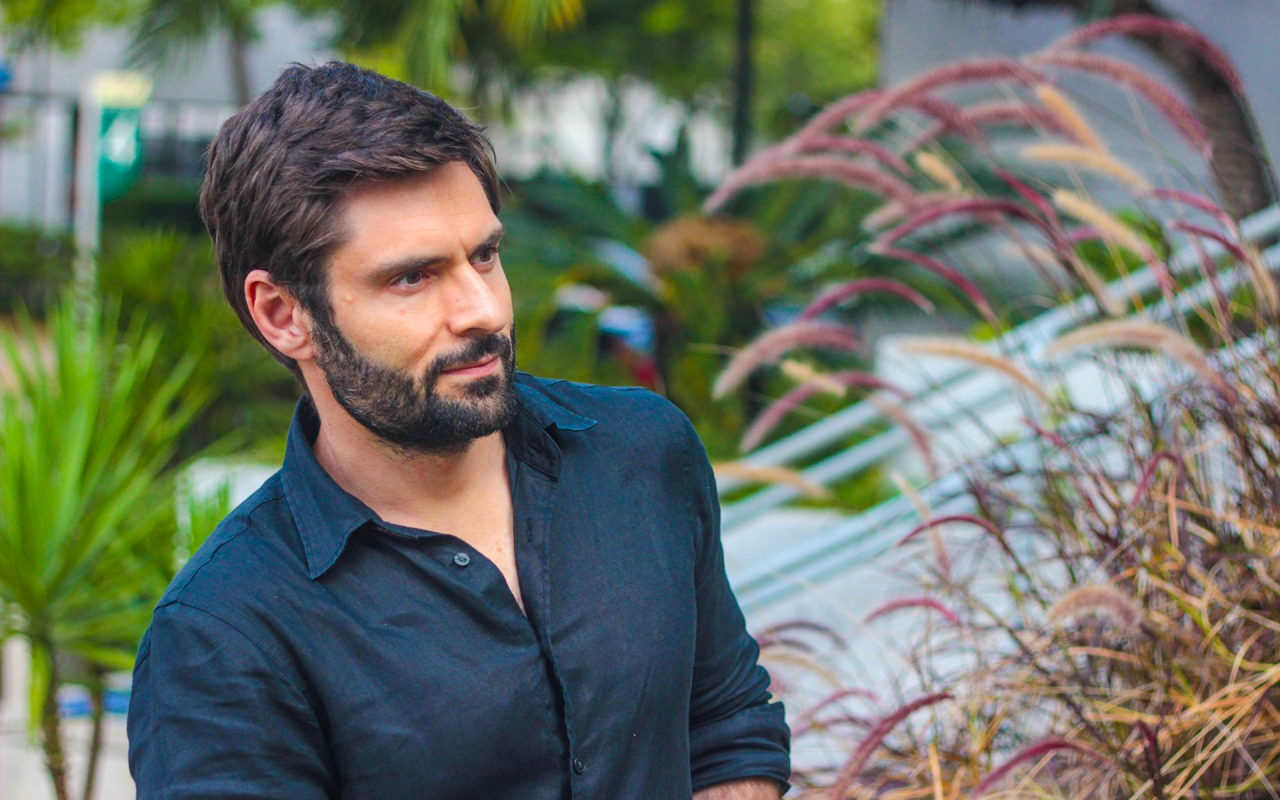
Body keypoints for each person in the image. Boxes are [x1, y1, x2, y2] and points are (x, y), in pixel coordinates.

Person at [126, 61, 790, 799]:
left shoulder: (643, 452)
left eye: (485, 256)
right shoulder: (224, 632)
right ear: (283, 315)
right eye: (412, 277)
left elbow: (726, 726)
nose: (485, 310)